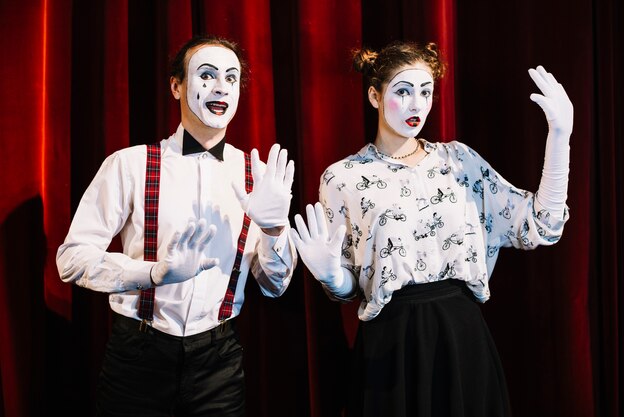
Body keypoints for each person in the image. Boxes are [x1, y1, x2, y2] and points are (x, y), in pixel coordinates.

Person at [290, 41, 572, 417]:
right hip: (390, 346)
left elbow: (542, 224)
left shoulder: (459, 161)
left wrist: (559, 138)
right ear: (375, 96)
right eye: (403, 92)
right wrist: (331, 277)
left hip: (461, 337)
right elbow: (351, 286)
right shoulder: (344, 178)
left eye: (426, 92)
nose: (416, 104)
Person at [56, 34, 297, 417]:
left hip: (218, 363)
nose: (220, 87)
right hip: (137, 356)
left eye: (231, 78)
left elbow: (274, 285)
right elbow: (71, 259)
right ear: (176, 86)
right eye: (206, 75)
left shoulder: (258, 175)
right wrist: (152, 273)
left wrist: (274, 231)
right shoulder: (130, 164)